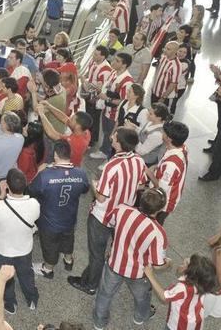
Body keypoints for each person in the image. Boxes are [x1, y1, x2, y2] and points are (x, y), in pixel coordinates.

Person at [69, 128, 146, 296]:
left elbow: (101, 197)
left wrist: (94, 184)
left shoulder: (112, 166)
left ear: (118, 143)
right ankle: (93, 276)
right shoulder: (139, 160)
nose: (111, 137)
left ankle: (90, 285)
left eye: (114, 136)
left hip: (102, 216)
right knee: (111, 248)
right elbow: (141, 185)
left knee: (97, 253)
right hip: (124, 215)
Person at [91, 188, 169, 329]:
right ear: (160, 209)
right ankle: (140, 317)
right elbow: (158, 265)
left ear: (142, 199)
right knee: (142, 297)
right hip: (139, 273)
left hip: (114, 264)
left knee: (104, 294)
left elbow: (110, 222)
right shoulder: (158, 233)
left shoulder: (122, 210)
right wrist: (168, 264)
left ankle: (99, 322)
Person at [29, 141, 89, 280]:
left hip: (50, 220)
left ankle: (48, 269)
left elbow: (32, 190)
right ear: (70, 154)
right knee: (68, 238)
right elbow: (85, 189)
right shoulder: (81, 173)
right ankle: (68, 260)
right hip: (70, 217)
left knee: (50, 245)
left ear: (55, 155)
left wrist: (39, 171)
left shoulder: (45, 175)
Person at [0, 168, 40, 314]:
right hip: (24, 249)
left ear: (7, 186)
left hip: (2, 249)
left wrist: (1, 195)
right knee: (26, 274)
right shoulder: (34, 204)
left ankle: (10, 304)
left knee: (6, 278)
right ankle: (32, 299)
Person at [143, 254, 218, 330]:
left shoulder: (183, 287)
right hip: (195, 321)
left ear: (189, 272)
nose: (180, 264)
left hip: (179, 325)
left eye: (184, 264)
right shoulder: (200, 282)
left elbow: (164, 297)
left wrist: (150, 275)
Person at [145, 120, 188, 225]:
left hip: (162, 204)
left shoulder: (172, 165)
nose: (162, 133)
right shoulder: (181, 147)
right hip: (165, 192)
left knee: (153, 225)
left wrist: (148, 172)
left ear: (169, 139)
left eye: (163, 132)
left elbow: (161, 190)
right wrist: (157, 166)